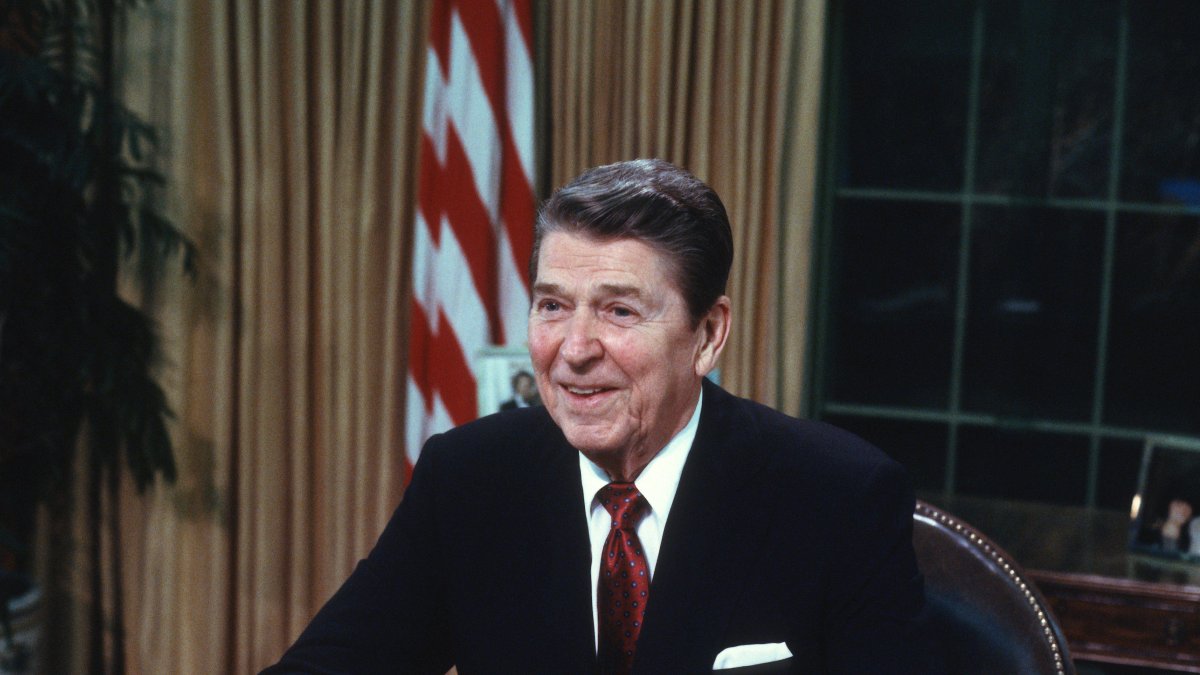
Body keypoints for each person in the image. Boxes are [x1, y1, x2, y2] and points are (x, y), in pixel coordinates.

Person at [262, 159, 935, 673]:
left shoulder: (839, 496)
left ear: (707, 335)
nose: (575, 349)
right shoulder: (469, 477)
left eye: (619, 310)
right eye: (552, 306)